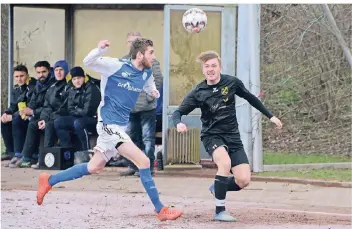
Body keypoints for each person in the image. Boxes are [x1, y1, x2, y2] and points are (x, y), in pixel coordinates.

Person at [36, 38, 183, 221]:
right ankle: (160, 209)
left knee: (94, 166)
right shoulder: (115, 66)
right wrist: (99, 50)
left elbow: (149, 83)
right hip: (107, 124)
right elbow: (88, 62)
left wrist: (152, 91)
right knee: (144, 161)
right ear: (139, 55)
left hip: (119, 126)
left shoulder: (146, 72)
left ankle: (49, 181)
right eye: (151, 52)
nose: (153, 56)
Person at [172, 51, 283, 222]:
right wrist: (178, 122)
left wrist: (271, 116)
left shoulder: (231, 83)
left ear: (219, 67)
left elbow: (251, 98)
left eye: (213, 66)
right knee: (224, 163)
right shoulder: (199, 91)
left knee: (244, 180)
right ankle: (219, 211)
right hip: (212, 136)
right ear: (203, 70)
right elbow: (178, 111)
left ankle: (218, 187)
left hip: (233, 137)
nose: (210, 69)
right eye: (207, 66)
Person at [120, 32, 163, 176]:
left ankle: (148, 168)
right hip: (130, 108)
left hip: (147, 107)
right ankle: (133, 166)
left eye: (135, 41)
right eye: (130, 42)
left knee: (147, 139)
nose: (132, 44)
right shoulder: (123, 61)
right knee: (131, 139)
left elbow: (158, 79)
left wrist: (149, 96)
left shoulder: (152, 61)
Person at [9, 61, 55, 168]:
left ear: (49, 71)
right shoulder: (39, 85)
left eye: (44, 72)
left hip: (50, 116)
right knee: (17, 119)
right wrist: (27, 110)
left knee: (34, 123)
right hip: (40, 114)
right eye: (38, 72)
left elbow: (49, 107)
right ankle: (20, 155)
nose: (41, 75)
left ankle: (34, 157)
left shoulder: (52, 85)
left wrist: (33, 112)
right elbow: (32, 102)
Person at [54, 66, 101, 151]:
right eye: (74, 79)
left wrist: (76, 109)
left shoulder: (91, 88)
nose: (77, 81)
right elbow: (70, 109)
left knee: (78, 123)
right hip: (78, 118)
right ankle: (67, 151)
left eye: (79, 78)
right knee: (59, 122)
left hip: (93, 120)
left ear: (84, 77)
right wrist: (78, 110)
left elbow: (88, 112)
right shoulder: (73, 88)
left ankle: (86, 151)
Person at [1, 65, 36, 163]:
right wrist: (6, 113)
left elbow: (29, 107)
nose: (19, 79)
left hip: (29, 117)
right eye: (16, 76)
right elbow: (13, 106)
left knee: (15, 119)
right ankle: (10, 152)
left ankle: (18, 153)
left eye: (22, 76)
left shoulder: (32, 87)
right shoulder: (16, 89)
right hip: (18, 115)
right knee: (3, 120)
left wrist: (12, 116)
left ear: (27, 75)